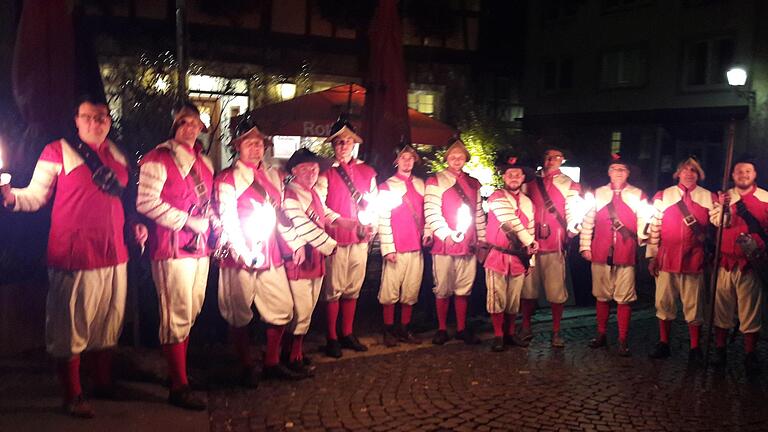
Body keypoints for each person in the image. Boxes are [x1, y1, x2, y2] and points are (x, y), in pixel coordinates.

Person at [1, 95, 145, 418]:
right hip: (74, 253)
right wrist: (10, 197)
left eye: (103, 116)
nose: (97, 122)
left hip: (114, 252)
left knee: (108, 323)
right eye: (89, 116)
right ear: (76, 120)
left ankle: (103, 382)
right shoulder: (57, 151)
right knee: (71, 327)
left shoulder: (119, 154)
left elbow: (122, 201)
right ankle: (73, 393)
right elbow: (35, 196)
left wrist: (134, 224)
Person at [214, 122, 308, 383]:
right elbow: (227, 218)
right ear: (238, 147)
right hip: (238, 254)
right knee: (238, 311)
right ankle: (245, 365)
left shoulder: (274, 176)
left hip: (270, 251)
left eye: (258, 143)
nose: (255, 148)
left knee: (282, 306)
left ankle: (271, 362)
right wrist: (245, 253)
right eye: (248, 143)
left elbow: (280, 216)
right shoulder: (227, 178)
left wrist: (295, 243)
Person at [136, 102, 213, 410]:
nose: (190, 128)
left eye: (194, 123)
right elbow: (146, 203)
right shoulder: (158, 158)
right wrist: (187, 221)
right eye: (184, 123)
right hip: (171, 248)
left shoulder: (204, 162)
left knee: (191, 310)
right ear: (175, 126)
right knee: (176, 315)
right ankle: (178, 386)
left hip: (199, 246)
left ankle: (179, 373)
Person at [282, 148, 352, 373]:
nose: (312, 172)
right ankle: (291, 356)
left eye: (314, 168)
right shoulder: (290, 194)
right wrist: (332, 245)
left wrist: (343, 222)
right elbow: (302, 224)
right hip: (301, 260)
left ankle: (297, 353)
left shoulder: (312, 193)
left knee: (308, 309)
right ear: (294, 170)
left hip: (316, 259)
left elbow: (324, 213)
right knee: (300, 310)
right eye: (306, 168)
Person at [315, 119, 377, 358]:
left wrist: (372, 227)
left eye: (347, 141)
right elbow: (320, 206)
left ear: (354, 144)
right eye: (339, 142)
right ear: (333, 145)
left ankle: (347, 332)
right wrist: (340, 220)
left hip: (360, 239)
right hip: (337, 239)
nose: (343, 146)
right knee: (333, 289)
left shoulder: (367, 171)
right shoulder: (325, 173)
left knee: (353, 288)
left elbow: (374, 203)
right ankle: (331, 336)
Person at [646, 157, 716, 364]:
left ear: (699, 174)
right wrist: (652, 256)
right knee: (664, 303)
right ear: (678, 173)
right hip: (667, 258)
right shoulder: (663, 195)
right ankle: (664, 343)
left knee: (694, 306)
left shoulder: (708, 197)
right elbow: (654, 228)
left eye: (693, 170)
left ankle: (695, 348)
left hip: (694, 259)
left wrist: (724, 208)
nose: (689, 174)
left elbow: (719, 222)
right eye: (685, 170)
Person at [579, 155, 647, 356]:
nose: (618, 173)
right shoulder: (598, 194)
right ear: (609, 172)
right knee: (601, 295)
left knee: (624, 298)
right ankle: (601, 334)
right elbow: (588, 221)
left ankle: (623, 339)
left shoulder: (637, 194)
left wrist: (643, 240)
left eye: (622, 170)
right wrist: (585, 246)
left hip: (625, 252)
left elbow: (644, 221)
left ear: (628, 173)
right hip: (600, 251)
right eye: (614, 169)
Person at [424, 139, 487, 345]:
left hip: (468, 243)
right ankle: (442, 328)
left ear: (465, 159)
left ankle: (461, 328)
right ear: (447, 158)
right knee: (443, 286)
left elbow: (478, 214)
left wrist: (482, 240)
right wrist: (446, 234)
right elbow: (431, 212)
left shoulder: (473, 183)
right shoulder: (435, 181)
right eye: (453, 156)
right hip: (445, 243)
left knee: (463, 287)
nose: (456, 159)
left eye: (460, 156)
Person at [709, 156, 767, 373]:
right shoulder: (724, 198)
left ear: (754, 174)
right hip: (724, 262)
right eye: (739, 172)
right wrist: (724, 208)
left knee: (750, 312)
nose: (743, 175)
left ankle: (750, 354)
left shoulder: (766, 198)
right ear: (733, 175)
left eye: (748, 171)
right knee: (721, 310)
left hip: (751, 264)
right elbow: (717, 223)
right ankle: (720, 350)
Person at [521, 147, 581, 347]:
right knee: (528, 290)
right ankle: (526, 327)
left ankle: (556, 331)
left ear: (562, 160)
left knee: (556, 291)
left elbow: (572, 210)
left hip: (555, 243)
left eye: (556, 157)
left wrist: (573, 228)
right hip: (531, 242)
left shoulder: (570, 184)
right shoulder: (529, 183)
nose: (551, 160)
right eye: (548, 156)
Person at [377, 144, 430, 347]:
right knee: (390, 291)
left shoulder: (421, 184)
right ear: (396, 161)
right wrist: (388, 247)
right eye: (403, 158)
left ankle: (404, 327)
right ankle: (388, 329)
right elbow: (384, 218)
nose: (407, 161)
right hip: (397, 246)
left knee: (410, 291)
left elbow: (427, 214)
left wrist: (428, 233)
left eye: (410, 158)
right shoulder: (387, 186)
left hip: (416, 247)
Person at [484, 155, 537, 352]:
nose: (514, 176)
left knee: (514, 299)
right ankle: (498, 335)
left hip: (518, 258)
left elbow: (531, 229)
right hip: (497, 255)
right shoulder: (496, 197)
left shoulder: (528, 203)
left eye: (517, 174)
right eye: (510, 174)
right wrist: (531, 243)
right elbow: (513, 224)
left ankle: (509, 333)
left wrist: (530, 261)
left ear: (523, 177)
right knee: (496, 298)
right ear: (504, 177)